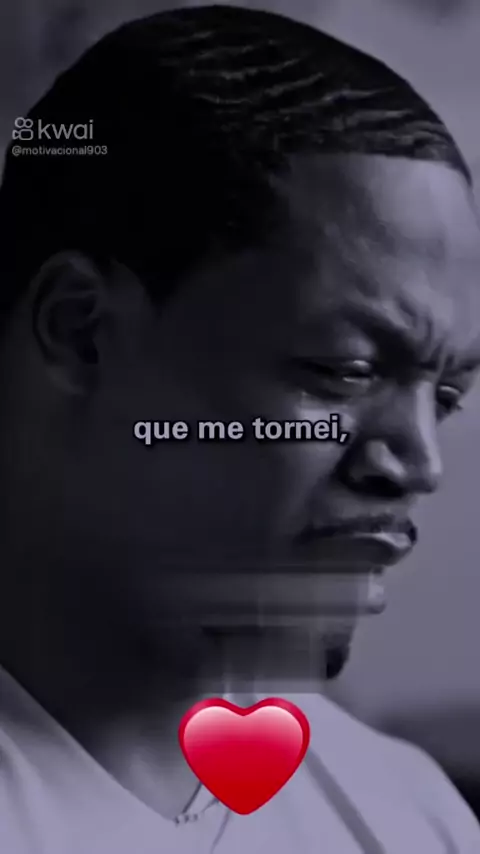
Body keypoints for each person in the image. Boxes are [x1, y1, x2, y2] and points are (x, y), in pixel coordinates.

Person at [0, 5, 479, 853]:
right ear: (80, 331)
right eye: (346, 369)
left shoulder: (411, 816)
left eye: (445, 394)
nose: (418, 463)